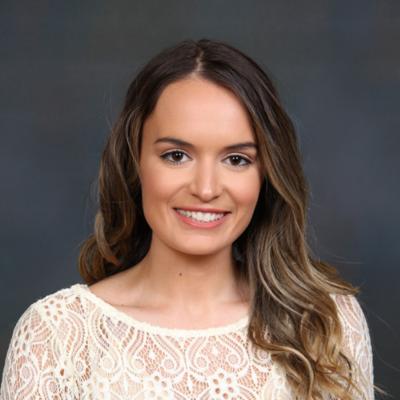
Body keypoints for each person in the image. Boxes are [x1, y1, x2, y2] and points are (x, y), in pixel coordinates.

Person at [0, 38, 381, 399]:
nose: (206, 188)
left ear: (266, 175)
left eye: (236, 159)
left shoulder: (325, 323)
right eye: (177, 156)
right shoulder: (58, 335)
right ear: (135, 162)